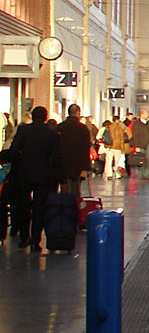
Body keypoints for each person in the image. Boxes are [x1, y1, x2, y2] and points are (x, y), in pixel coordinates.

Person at [9, 106, 62, 250]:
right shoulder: (52, 134)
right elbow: (57, 157)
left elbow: (14, 150)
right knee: (40, 207)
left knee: (23, 206)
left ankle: (23, 237)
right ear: (45, 118)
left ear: (32, 116)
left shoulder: (23, 130)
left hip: (24, 174)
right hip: (44, 176)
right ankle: (35, 240)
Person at [58, 104, 94, 198]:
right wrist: (85, 168)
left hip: (62, 164)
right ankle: (74, 209)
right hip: (77, 165)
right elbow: (85, 149)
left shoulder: (60, 127)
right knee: (75, 191)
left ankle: (64, 208)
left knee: (64, 189)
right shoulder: (83, 129)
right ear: (78, 113)